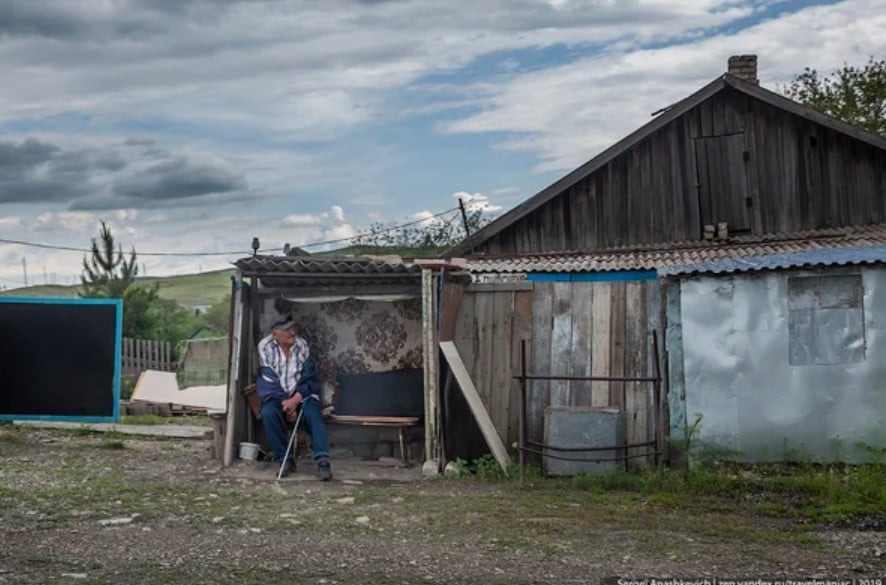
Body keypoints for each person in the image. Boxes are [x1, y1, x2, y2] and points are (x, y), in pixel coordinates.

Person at [255, 317, 332, 481]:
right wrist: (286, 403)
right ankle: (286, 460)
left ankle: (323, 461)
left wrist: (296, 399)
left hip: (301, 395)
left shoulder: (301, 345)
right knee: (268, 413)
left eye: (294, 328)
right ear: (276, 334)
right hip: (277, 397)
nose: (293, 332)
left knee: (313, 413)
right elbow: (268, 379)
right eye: (288, 330)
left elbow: (311, 377)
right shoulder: (265, 347)